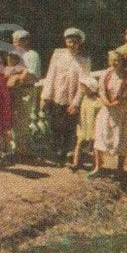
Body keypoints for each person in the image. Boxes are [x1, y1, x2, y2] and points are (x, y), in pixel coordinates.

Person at [41, 27, 92, 166]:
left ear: (79, 42)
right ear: (65, 41)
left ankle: (68, 153)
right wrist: (46, 95)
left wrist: (76, 103)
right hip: (57, 96)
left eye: (75, 42)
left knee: (70, 128)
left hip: (72, 99)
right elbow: (51, 75)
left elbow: (84, 83)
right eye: (69, 41)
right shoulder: (58, 55)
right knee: (56, 126)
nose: (71, 44)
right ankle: (58, 154)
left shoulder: (84, 59)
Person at [91, 50, 127, 177]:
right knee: (101, 136)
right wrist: (106, 101)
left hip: (122, 112)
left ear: (123, 61)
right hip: (107, 111)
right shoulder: (106, 74)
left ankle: (120, 168)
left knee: (121, 138)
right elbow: (101, 91)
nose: (113, 63)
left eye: (117, 60)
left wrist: (122, 101)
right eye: (111, 60)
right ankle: (98, 167)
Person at [71, 75, 102, 170]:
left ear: (90, 89)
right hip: (83, 125)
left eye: (84, 87)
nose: (82, 88)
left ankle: (96, 165)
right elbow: (79, 109)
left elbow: (100, 114)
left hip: (93, 126)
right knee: (79, 143)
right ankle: (75, 163)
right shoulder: (83, 98)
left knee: (95, 146)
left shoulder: (97, 101)